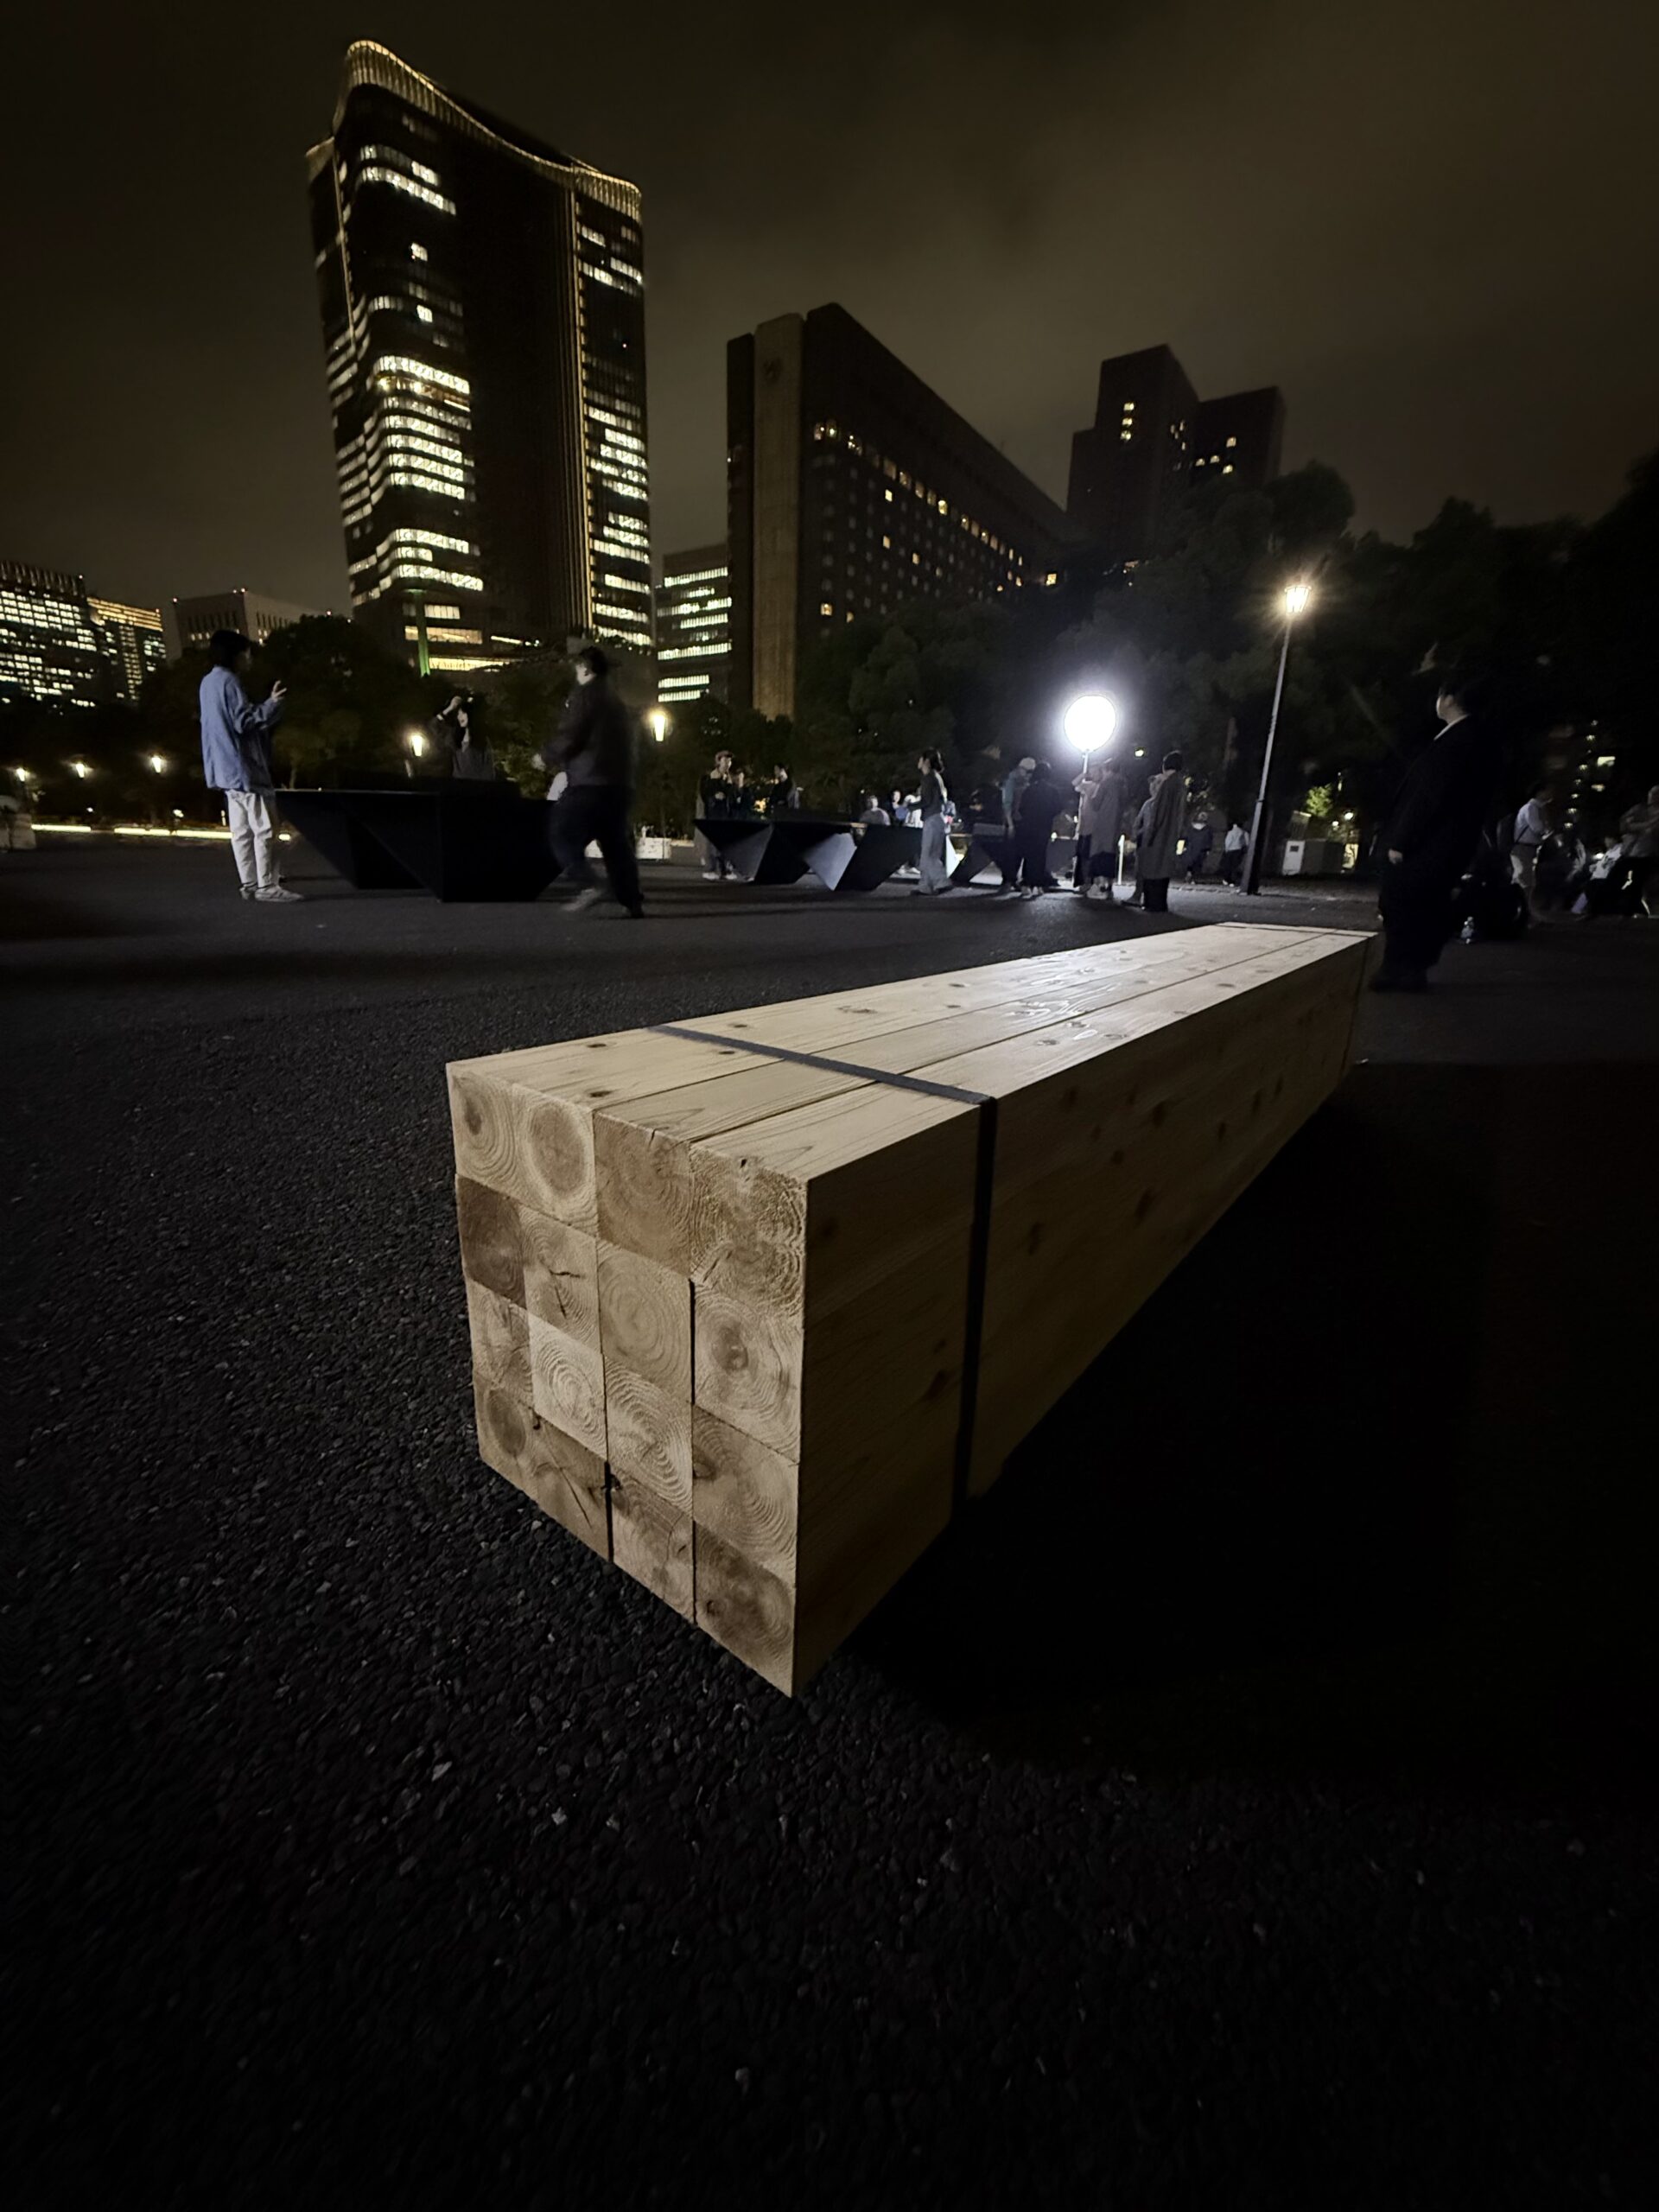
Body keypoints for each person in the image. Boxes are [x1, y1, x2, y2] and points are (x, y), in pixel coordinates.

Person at [1374, 674, 1505, 990]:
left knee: (1404, 903)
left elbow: (1429, 796)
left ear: (1448, 699)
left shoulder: (1456, 741)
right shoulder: (1476, 739)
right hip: (1448, 845)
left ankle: (1401, 970)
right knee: (1423, 905)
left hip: (1429, 845)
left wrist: (1403, 840)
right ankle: (1410, 969)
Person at [199, 629, 300, 903]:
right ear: (237, 655)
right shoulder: (230, 682)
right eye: (247, 653)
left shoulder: (207, 683)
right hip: (245, 768)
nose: (249, 659)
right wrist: (273, 704)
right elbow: (243, 722)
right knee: (265, 829)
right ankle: (267, 886)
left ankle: (249, 884)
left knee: (241, 832)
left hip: (223, 770)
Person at [544, 645, 643, 917]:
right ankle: (631, 900)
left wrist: (547, 755)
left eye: (577, 667)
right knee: (615, 845)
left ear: (585, 668)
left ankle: (589, 884)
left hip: (589, 781)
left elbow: (572, 733)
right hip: (620, 784)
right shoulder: (617, 702)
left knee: (561, 831)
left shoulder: (585, 696)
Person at [1134, 750, 1188, 912]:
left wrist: (1150, 833)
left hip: (1159, 834)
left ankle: (1152, 903)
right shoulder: (1181, 784)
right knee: (1164, 869)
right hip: (1171, 833)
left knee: (1153, 869)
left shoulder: (1168, 784)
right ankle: (1160, 903)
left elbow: (1160, 812)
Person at [1011, 759, 1065, 898]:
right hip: (1044, 826)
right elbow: (1058, 808)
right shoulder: (1053, 791)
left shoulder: (1030, 789)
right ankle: (1038, 884)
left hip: (1028, 826)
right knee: (1040, 856)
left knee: (1029, 854)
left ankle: (1026, 883)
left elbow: (1022, 808)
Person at [1074, 759, 1127, 901]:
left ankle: (1099, 887)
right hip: (1115, 825)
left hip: (1103, 823)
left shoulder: (1106, 783)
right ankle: (1109, 887)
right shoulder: (1122, 784)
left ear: (1107, 769)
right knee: (1110, 855)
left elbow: (1096, 803)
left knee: (1099, 855)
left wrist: (1090, 797)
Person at [1510, 780, 1554, 912]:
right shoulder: (1531, 808)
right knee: (1524, 882)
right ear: (1540, 792)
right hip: (1523, 848)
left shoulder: (1538, 808)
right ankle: (1520, 911)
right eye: (1548, 790)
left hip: (1529, 849)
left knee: (1525, 881)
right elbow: (1537, 828)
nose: (1551, 793)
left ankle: (1520, 911)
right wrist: (1548, 830)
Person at [1615, 785, 1659, 916]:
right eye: (1652, 793)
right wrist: (1646, 825)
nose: (1652, 796)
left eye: (1656, 794)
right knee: (1621, 879)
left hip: (1650, 855)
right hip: (1632, 852)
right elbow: (1625, 825)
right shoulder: (1640, 809)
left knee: (1642, 884)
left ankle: (1637, 912)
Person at [432, 692, 496, 781]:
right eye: (458, 714)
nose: (460, 717)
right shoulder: (455, 737)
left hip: (477, 787)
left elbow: (488, 771)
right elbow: (434, 726)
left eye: (463, 713)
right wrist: (450, 708)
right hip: (459, 787)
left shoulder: (482, 740)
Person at [913, 749, 951, 894]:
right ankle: (925, 885)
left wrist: (909, 807)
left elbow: (926, 801)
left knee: (928, 854)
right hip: (939, 818)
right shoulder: (937, 777)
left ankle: (941, 881)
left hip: (932, 817)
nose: (918, 762)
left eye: (920, 759)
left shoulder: (928, 778)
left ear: (926, 762)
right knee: (933, 853)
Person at [697, 748, 735, 878]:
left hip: (725, 815)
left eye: (729, 761)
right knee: (712, 843)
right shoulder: (710, 778)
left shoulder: (729, 779)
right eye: (725, 760)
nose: (728, 764)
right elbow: (704, 794)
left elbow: (732, 796)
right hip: (714, 815)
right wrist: (714, 796)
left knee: (725, 844)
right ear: (718, 762)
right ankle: (710, 869)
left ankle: (725, 870)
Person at [1183, 806, 1215, 880]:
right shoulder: (1208, 829)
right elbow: (1209, 840)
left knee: (1191, 861)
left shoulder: (1191, 828)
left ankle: (1189, 873)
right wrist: (1208, 849)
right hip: (1201, 848)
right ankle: (1193, 877)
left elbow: (1186, 837)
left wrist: (1184, 846)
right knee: (1198, 863)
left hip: (1192, 847)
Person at [1220, 820, 1249, 887]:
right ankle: (1233, 880)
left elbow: (1228, 841)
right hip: (1239, 850)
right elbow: (1247, 842)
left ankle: (1227, 879)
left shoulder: (1231, 832)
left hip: (1230, 850)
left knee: (1228, 865)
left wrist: (1226, 849)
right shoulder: (1244, 832)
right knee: (1235, 866)